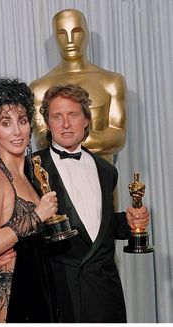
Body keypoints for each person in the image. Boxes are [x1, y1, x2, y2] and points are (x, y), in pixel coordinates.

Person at [30, 84, 149, 322]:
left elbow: (99, 226)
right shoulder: (31, 169)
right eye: (57, 116)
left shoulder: (107, 170)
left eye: (72, 115)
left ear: (86, 119)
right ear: (47, 122)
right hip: (57, 293)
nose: (65, 124)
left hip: (104, 293)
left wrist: (127, 222)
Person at [0, 78, 59, 323]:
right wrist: (36, 216)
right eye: (6, 123)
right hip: (14, 302)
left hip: (42, 294)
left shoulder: (32, 173)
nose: (17, 131)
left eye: (22, 121)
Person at [30, 8, 127, 164]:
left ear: (86, 34)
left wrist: (67, 138)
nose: (70, 40)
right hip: (59, 175)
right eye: (62, 33)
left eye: (76, 31)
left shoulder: (111, 81)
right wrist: (94, 138)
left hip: (105, 177)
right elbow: (42, 140)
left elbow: (118, 137)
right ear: (55, 38)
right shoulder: (39, 88)